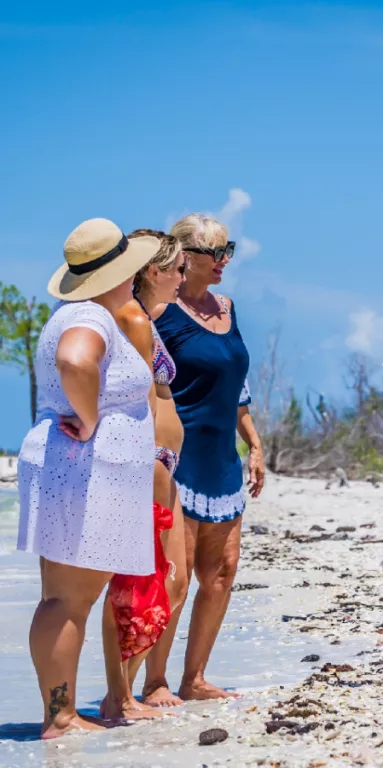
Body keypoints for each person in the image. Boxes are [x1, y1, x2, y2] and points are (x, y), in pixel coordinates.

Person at [16, 219, 160, 738]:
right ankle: (61, 715)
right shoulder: (91, 319)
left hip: (71, 469)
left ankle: (60, 711)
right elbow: (75, 361)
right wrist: (93, 416)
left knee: (62, 597)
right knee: (70, 599)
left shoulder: (74, 312)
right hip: (88, 472)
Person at [152, 213, 265, 701]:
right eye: (213, 252)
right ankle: (151, 683)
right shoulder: (158, 312)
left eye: (228, 250)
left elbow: (234, 385)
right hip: (180, 458)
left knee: (222, 572)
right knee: (177, 574)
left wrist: (255, 443)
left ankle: (193, 679)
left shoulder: (229, 307)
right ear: (183, 257)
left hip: (222, 457)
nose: (223, 261)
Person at [100, 230, 190, 718]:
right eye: (177, 268)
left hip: (162, 463)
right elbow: (132, 397)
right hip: (149, 460)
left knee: (172, 582)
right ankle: (120, 695)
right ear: (153, 272)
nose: (183, 277)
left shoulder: (146, 321)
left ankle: (125, 691)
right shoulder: (131, 319)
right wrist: (150, 460)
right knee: (139, 583)